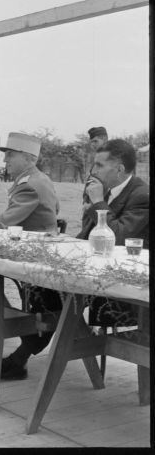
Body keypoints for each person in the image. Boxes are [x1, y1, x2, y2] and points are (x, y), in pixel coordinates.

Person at [0, 132, 60, 380]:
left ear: (27, 157)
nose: (6, 160)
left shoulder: (30, 185)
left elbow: (4, 223)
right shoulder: (38, 179)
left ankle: (3, 321)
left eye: (10, 155)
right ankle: (4, 322)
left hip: (35, 256)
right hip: (33, 250)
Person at [77, 139, 149, 327]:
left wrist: (98, 202)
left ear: (119, 169)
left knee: (57, 300)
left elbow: (116, 237)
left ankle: (24, 353)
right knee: (45, 292)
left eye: (99, 165)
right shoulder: (107, 190)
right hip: (95, 269)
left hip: (123, 281)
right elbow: (87, 235)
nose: (94, 171)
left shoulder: (142, 195)